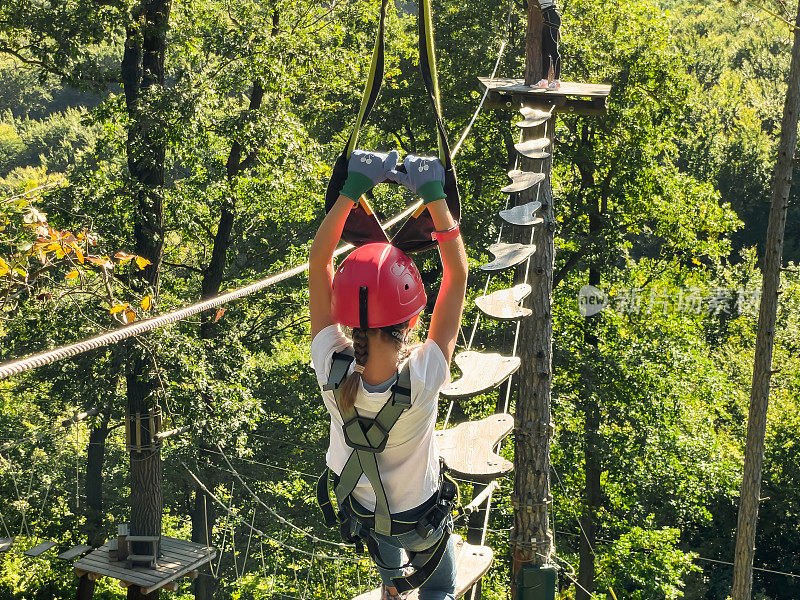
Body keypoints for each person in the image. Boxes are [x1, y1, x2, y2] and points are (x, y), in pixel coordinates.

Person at [309, 149, 468, 600]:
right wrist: (435, 196)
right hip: (417, 518)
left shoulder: (331, 364)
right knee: (441, 585)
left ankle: (390, 586)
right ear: (412, 320)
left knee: (383, 531)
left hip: (358, 506)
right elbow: (455, 277)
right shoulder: (424, 373)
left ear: (347, 316)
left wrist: (350, 192)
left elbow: (318, 261)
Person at [534, 0, 562, 91]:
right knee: (545, 51)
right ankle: (544, 80)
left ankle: (557, 81)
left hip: (552, 17)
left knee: (554, 51)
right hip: (547, 18)